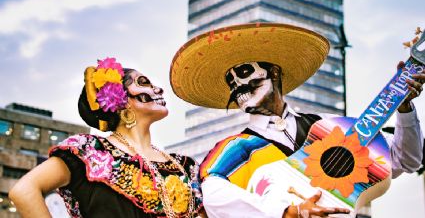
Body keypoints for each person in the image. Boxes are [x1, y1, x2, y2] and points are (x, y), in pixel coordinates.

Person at [169, 23, 424, 217]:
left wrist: (403, 109)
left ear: (275, 72)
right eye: (231, 82)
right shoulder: (234, 148)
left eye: (245, 73)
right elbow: (212, 196)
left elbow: (406, 160)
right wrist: (287, 211)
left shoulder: (329, 126)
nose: (238, 86)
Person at [9, 57, 204, 217]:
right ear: (120, 98)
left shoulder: (184, 166)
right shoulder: (87, 151)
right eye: (143, 83)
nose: (158, 89)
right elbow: (24, 191)